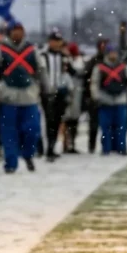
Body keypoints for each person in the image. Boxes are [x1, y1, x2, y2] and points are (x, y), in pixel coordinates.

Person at [0, 21, 46, 173]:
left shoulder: (32, 50)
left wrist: (47, 88)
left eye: (20, 31)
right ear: (9, 33)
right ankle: (11, 163)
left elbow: (41, 70)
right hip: (7, 96)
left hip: (29, 96)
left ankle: (28, 154)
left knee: (32, 129)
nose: (18, 34)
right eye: (15, 31)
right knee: (9, 132)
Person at [90, 44, 127, 156]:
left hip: (120, 100)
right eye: (111, 52)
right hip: (105, 100)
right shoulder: (100, 68)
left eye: (115, 52)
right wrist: (96, 97)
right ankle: (106, 149)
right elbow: (94, 83)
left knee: (121, 127)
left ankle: (121, 148)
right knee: (105, 128)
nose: (113, 55)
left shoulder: (124, 67)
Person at [40, 30, 69, 161]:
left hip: (60, 92)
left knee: (57, 121)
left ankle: (51, 147)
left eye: (59, 41)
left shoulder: (63, 56)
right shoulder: (43, 55)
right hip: (46, 92)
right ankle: (47, 148)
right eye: (55, 41)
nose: (58, 44)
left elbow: (71, 71)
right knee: (48, 120)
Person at [62, 42, 86, 153]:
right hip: (70, 94)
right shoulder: (66, 61)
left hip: (76, 94)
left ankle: (71, 143)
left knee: (73, 121)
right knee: (67, 120)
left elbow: (80, 74)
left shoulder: (79, 62)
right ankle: (67, 144)